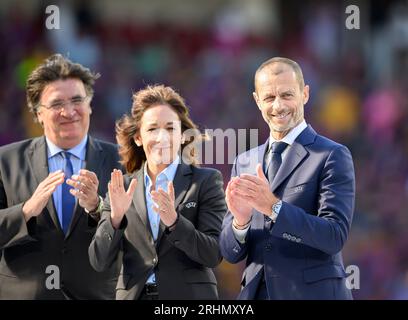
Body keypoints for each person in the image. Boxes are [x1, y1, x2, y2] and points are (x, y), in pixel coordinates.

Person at [219, 57, 355, 300]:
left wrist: (273, 207)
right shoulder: (245, 161)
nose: (278, 106)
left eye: (287, 95)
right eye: (269, 98)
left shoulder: (332, 154)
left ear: (305, 94)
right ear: (257, 100)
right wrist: (240, 223)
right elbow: (230, 253)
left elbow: (334, 236)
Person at [0, 54, 121, 299]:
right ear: (38, 113)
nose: (69, 112)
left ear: (89, 105)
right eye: (56, 104)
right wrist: (24, 212)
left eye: (77, 100)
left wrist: (98, 209)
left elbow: (139, 237)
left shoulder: (123, 162)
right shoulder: (5, 162)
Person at [89, 84, 227, 300]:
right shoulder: (121, 188)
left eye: (170, 128)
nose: (162, 137)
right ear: (138, 138)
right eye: (152, 129)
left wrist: (174, 222)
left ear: (183, 135)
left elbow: (214, 253)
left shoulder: (206, 181)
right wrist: (115, 219)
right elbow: (99, 261)